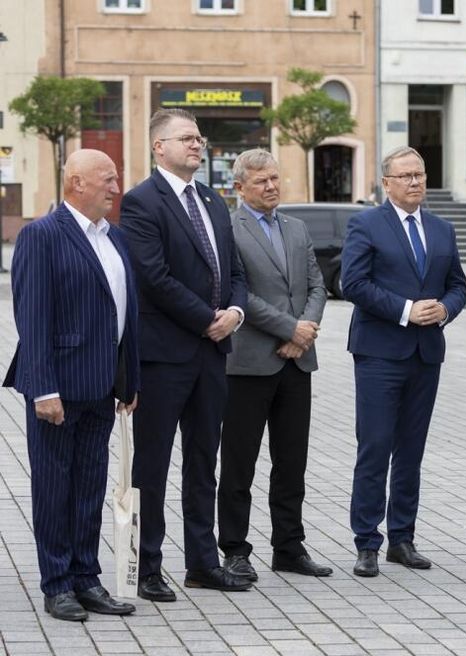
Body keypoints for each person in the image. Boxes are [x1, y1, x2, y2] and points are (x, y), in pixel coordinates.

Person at [3, 149, 140, 621]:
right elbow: (32, 318)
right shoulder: (42, 235)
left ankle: (87, 578)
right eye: (107, 179)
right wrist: (42, 388)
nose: (115, 187)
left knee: (89, 487)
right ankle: (57, 583)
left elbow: (126, 317)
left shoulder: (114, 239)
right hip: (58, 389)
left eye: (116, 179)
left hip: (102, 388)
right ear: (76, 182)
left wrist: (129, 380)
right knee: (53, 488)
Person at [120, 108, 251, 601]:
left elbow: (235, 269)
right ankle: (147, 567)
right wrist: (206, 319)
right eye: (187, 138)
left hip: (212, 355)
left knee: (203, 463)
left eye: (200, 138)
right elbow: (152, 278)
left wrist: (235, 312)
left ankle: (201, 562)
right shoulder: (141, 202)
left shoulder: (214, 201)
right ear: (159, 147)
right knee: (151, 468)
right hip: (164, 357)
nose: (198, 145)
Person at [341, 146, 466, 577]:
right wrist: (405, 309)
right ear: (387, 182)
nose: (415, 182)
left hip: (425, 353)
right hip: (380, 351)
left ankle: (402, 538)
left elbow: (459, 286)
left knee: (411, 452)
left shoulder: (442, 229)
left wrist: (445, 309)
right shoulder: (366, 224)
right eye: (406, 175)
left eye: (420, 174)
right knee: (375, 447)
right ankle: (366, 542)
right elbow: (353, 283)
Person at [216, 149, 332, 581]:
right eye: (261, 181)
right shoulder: (228, 229)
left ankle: (288, 547)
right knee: (239, 463)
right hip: (248, 364)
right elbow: (237, 293)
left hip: (296, 363)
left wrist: (304, 330)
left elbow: (317, 286)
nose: (271, 187)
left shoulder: (296, 228)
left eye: (274, 179)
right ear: (240, 187)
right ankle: (234, 549)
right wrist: (289, 328)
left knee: (291, 462)